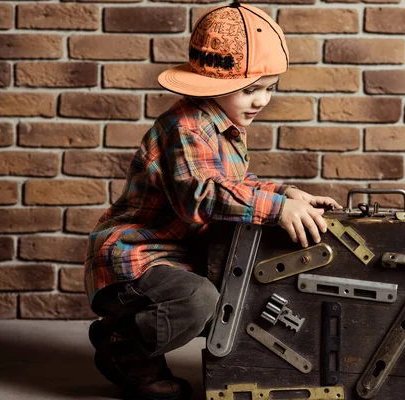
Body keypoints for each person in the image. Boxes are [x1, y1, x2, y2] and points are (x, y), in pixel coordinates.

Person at [84, 2, 342, 399]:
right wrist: (276, 211)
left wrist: (285, 194)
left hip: (183, 255)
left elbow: (236, 184)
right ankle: (125, 348)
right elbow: (201, 195)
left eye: (269, 89)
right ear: (213, 84)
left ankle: (146, 346)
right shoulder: (185, 127)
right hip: (138, 257)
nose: (261, 101)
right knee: (199, 298)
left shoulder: (224, 125)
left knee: (251, 286)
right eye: (250, 90)